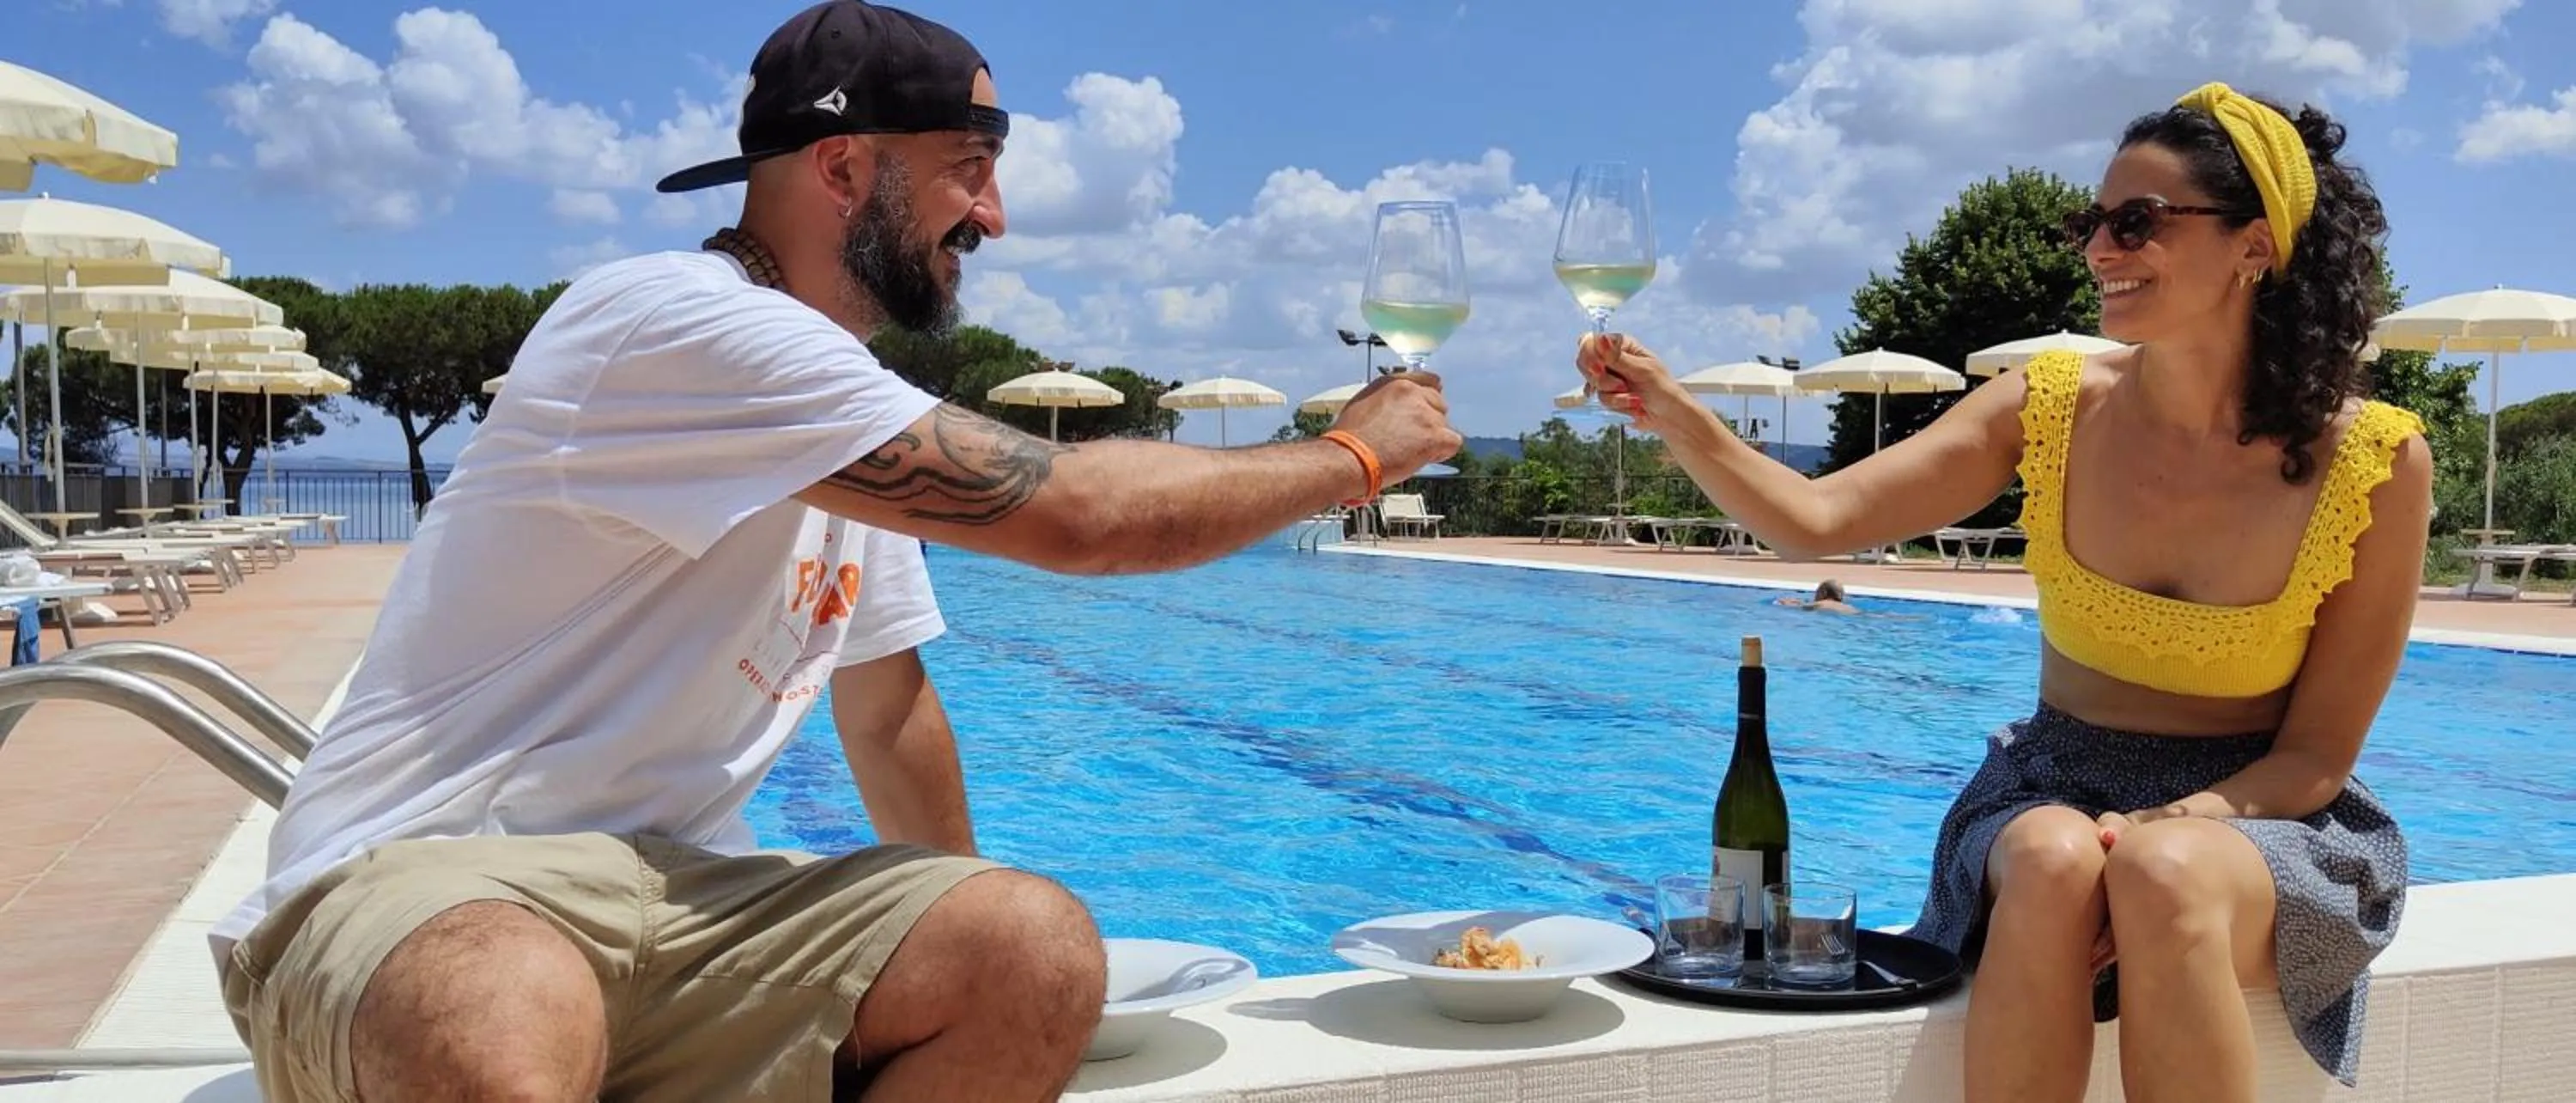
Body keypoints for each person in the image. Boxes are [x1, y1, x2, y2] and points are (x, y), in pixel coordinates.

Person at [205, 3, 1460, 1101]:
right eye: (970, 169)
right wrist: (1352, 458)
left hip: (681, 908)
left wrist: (958, 924)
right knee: (507, 988)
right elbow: (1078, 516)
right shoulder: (672, 322)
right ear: (848, 167)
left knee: (1035, 950)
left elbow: (887, 709)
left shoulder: (837, 405)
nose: (999, 216)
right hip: (417, 889)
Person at [1577, 82, 2424, 1103]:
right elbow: (1819, 520)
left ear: (2255, 244)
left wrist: (2174, 821)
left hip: (2262, 814)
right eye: (2093, 223)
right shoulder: (2053, 407)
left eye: (2137, 222)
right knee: (2056, 860)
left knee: (2166, 873)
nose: (2099, 249)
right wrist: (1677, 414)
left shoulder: (2372, 461)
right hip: (2052, 783)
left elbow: (2317, 758)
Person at [1773, 578, 1860, 614]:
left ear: (1823, 593)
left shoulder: (1820, 604)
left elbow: (1799, 607)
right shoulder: (1850, 608)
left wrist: (1783, 602)